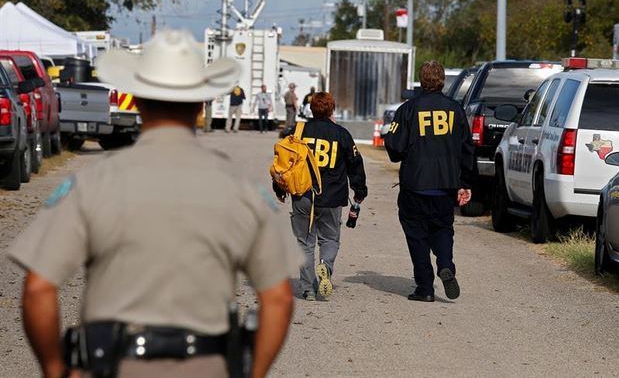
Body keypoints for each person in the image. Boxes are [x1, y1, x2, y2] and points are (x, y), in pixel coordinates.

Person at [8, 30, 294, 378]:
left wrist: (55, 369)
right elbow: (278, 298)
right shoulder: (242, 189)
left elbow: (38, 288)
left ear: (139, 101)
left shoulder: (92, 183)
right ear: (201, 107)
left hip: (111, 365)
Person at [384, 60, 474, 302]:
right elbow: (467, 149)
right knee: (443, 229)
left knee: (417, 236)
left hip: (415, 184)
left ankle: (425, 288)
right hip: (446, 185)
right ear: (443, 80)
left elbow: (394, 147)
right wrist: (465, 182)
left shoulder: (408, 109)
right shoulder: (455, 109)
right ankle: (445, 264)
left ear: (421, 80)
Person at [274, 92, 367, 301]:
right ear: (332, 109)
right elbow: (355, 164)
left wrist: (279, 188)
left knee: (305, 242)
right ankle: (325, 266)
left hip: (303, 194)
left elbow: (284, 162)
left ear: (311, 109)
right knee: (330, 239)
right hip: (332, 197)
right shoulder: (342, 134)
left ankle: (307, 289)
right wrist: (360, 192)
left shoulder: (298, 132)